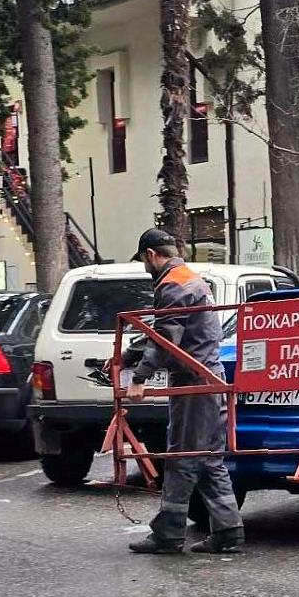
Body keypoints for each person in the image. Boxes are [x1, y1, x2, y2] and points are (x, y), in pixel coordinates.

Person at [121, 228, 245, 555]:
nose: (145, 267)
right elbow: (166, 330)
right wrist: (130, 355)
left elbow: (166, 338)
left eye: (143, 261)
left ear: (151, 255)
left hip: (193, 382)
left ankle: (168, 533)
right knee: (208, 458)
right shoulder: (190, 278)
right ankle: (228, 530)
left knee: (182, 456)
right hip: (209, 378)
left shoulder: (172, 285)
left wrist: (139, 377)